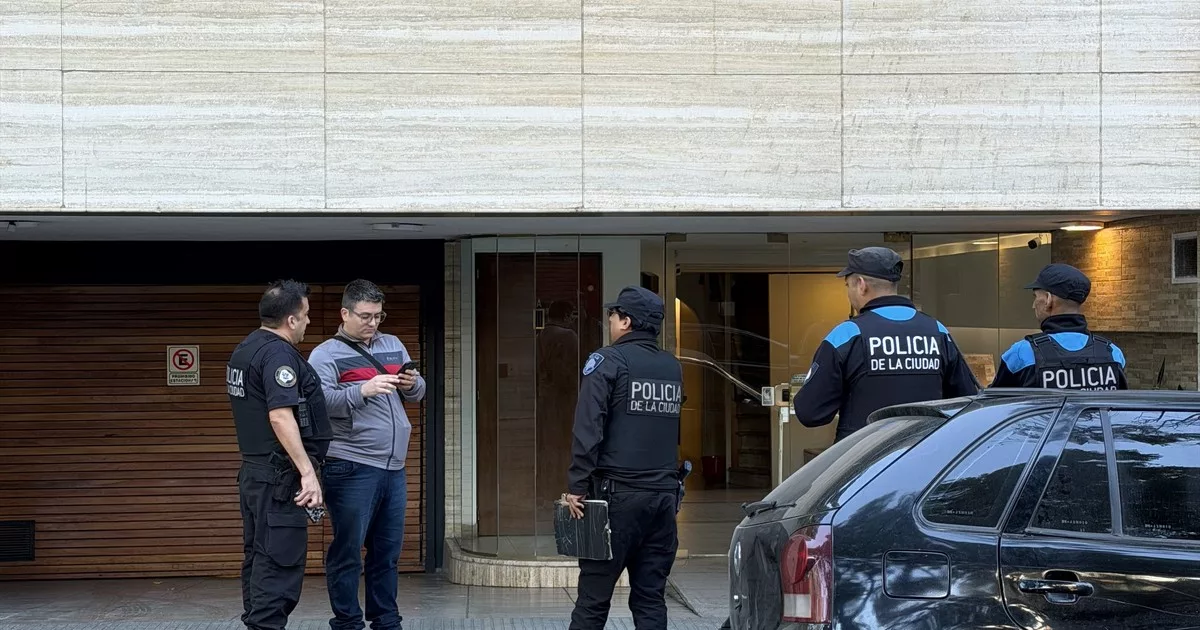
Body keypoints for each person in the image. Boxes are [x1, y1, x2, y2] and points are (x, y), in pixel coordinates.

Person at [562, 285, 686, 630]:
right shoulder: (672, 367)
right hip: (663, 499)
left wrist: (577, 485)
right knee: (650, 598)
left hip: (617, 499)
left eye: (613, 315)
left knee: (593, 600)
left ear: (627, 321)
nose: (610, 321)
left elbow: (588, 428)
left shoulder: (608, 361)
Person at [307, 279, 425, 630]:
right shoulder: (325, 354)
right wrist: (363, 390)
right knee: (348, 552)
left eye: (378, 316)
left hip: (393, 467)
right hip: (350, 464)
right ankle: (347, 623)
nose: (373, 323)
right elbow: (320, 404)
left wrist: (413, 384)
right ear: (345, 313)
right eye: (365, 316)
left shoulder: (393, 344)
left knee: (387, 554)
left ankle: (386, 621)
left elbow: (419, 391)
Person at [226, 279, 333, 630]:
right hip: (278, 481)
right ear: (290, 319)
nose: (308, 322)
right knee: (278, 564)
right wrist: (307, 473)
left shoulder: (245, 349)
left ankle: (258, 623)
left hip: (257, 475)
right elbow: (280, 416)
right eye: (306, 315)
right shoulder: (278, 355)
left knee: (260, 558)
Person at [792, 247, 980, 442]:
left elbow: (810, 412)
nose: (848, 293)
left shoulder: (847, 335)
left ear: (861, 285)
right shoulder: (937, 331)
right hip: (926, 453)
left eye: (848, 285)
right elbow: (967, 402)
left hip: (865, 455)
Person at [990, 263, 1128, 390]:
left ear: (1048, 299)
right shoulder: (1112, 354)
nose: (1033, 305)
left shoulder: (1021, 354)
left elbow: (995, 403)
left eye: (1035, 297)